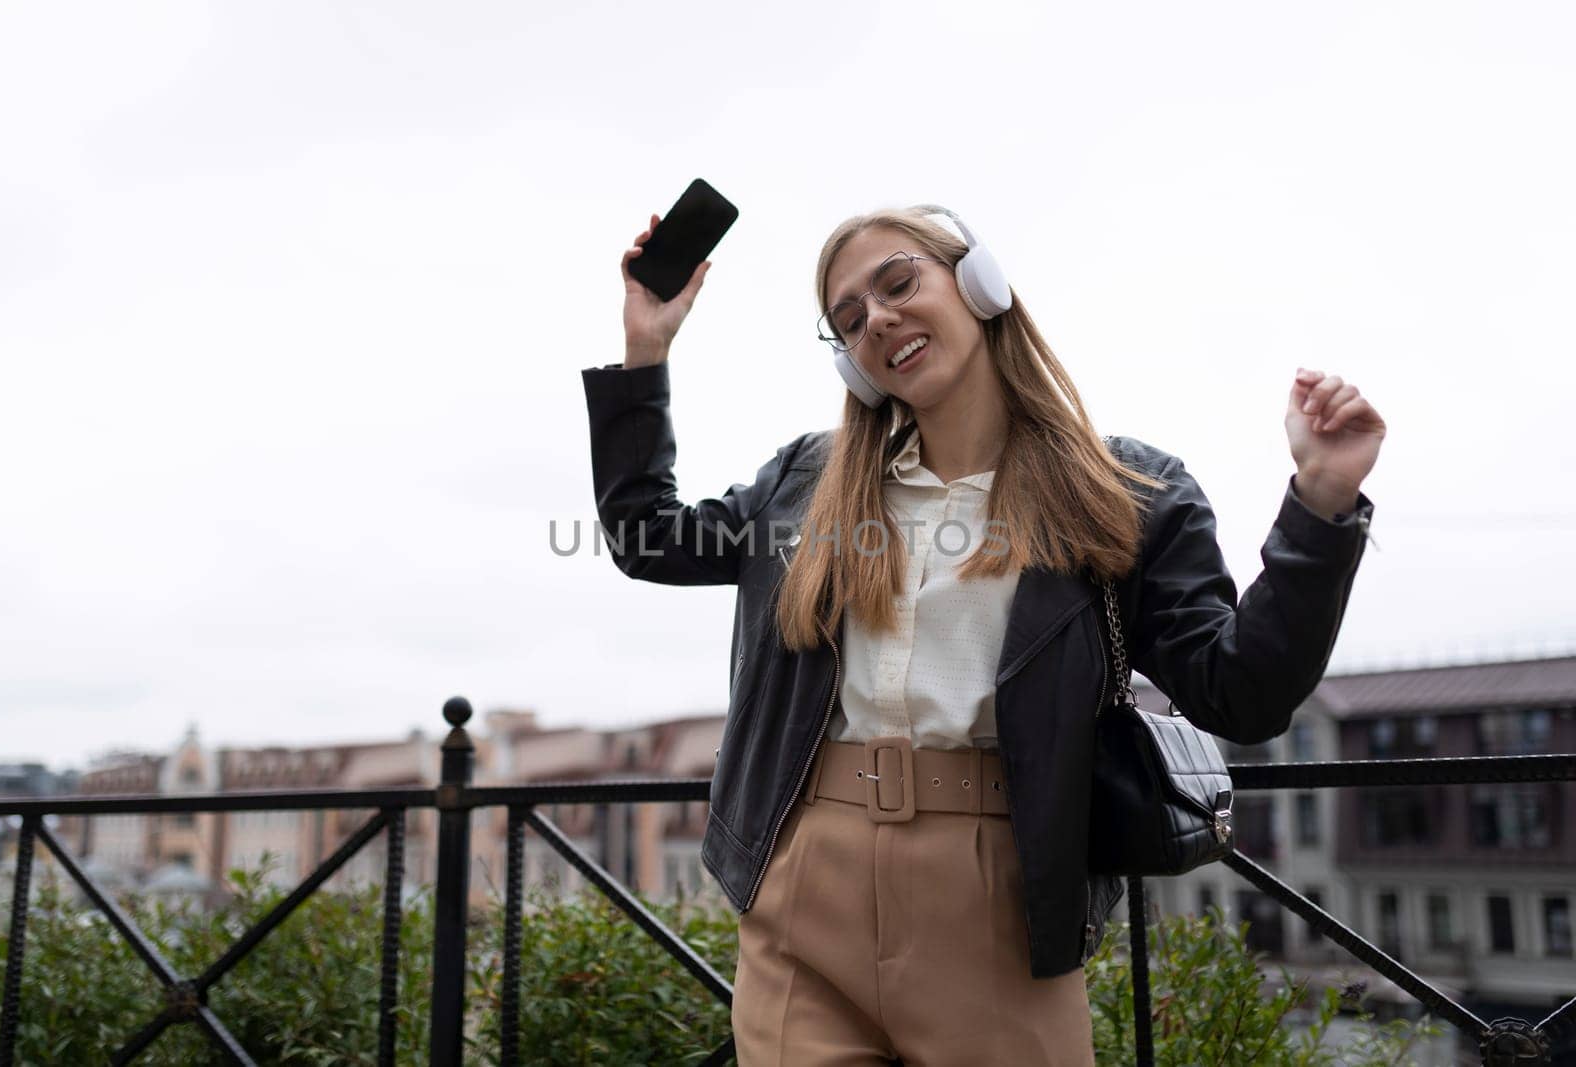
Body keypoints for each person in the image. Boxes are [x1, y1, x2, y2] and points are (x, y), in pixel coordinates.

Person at [581, 204, 1383, 1065]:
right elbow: (645, 538)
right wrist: (647, 346)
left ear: (980, 283)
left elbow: (1243, 690)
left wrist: (1322, 508)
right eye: (849, 319)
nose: (877, 319)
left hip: (1000, 894)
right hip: (803, 883)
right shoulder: (806, 486)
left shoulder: (1126, 489)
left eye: (898, 283)